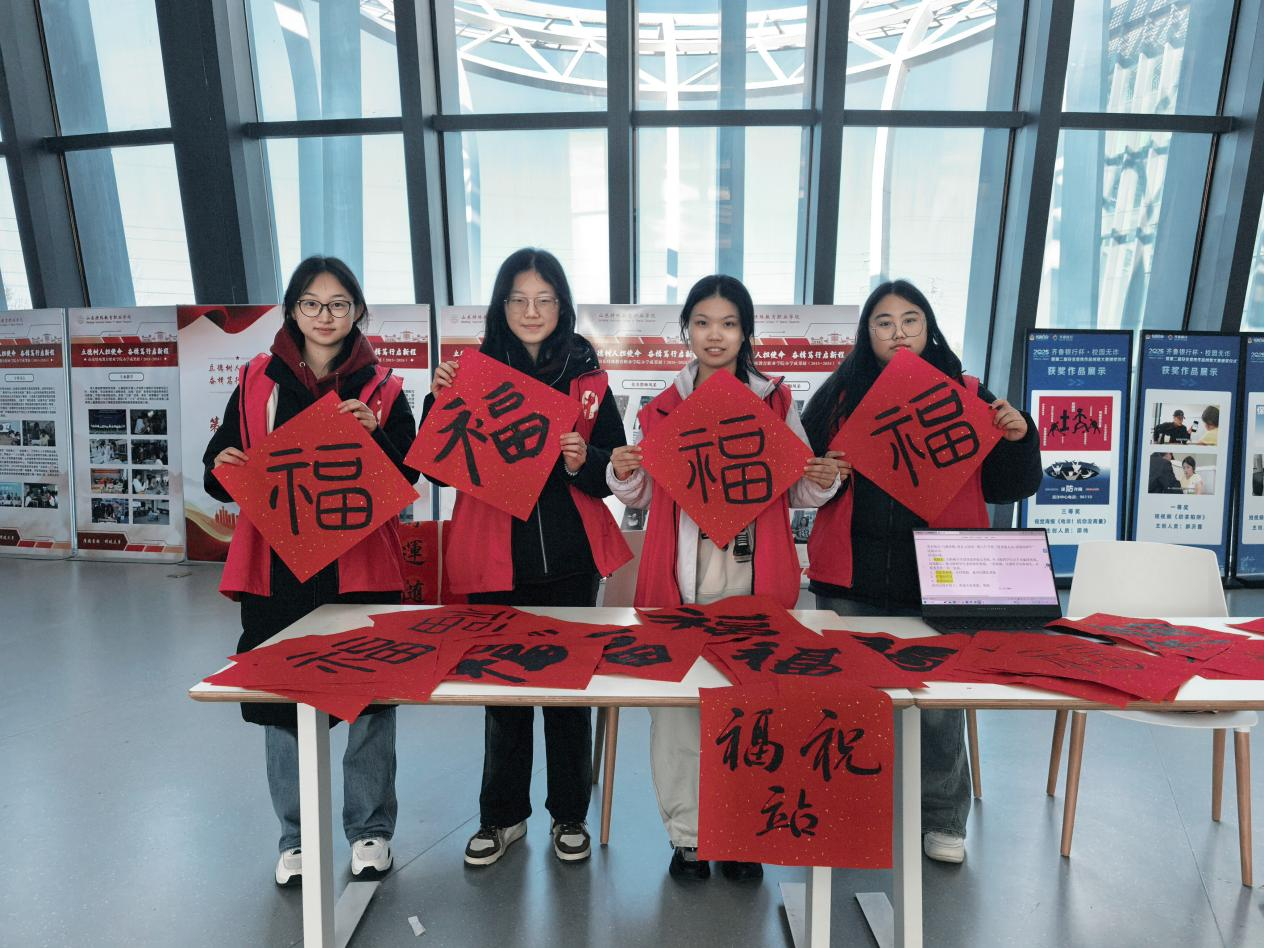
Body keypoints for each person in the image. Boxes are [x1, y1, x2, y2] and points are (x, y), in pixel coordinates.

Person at [607, 274, 841, 883]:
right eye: (704, 322)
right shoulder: (663, 407)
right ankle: (689, 837)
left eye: (729, 324)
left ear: (746, 333)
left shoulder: (776, 404)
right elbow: (643, 494)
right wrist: (624, 472)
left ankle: (743, 832)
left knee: (753, 709)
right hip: (680, 581)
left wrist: (821, 479)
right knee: (678, 714)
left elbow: (800, 491)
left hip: (752, 580)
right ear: (686, 329)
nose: (716, 335)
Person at [800, 279, 1041, 866]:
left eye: (910, 320)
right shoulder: (837, 396)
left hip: (942, 577)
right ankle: (849, 809)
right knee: (849, 701)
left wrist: (1019, 437)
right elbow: (803, 476)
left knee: (938, 707)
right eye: (883, 323)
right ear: (867, 333)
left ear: (928, 328)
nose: (898, 333)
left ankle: (942, 817)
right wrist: (823, 471)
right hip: (851, 575)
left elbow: (1010, 486)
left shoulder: (967, 393)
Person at [203, 256, 419, 887]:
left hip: (360, 568)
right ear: (293, 310)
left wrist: (377, 436)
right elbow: (219, 462)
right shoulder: (256, 379)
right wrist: (224, 464)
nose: (325, 316)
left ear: (358, 312)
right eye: (312, 303)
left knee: (369, 700)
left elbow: (409, 474)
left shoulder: (384, 388)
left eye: (339, 304)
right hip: (277, 569)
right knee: (281, 703)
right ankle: (296, 839)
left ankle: (370, 831)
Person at [425, 247, 631, 868]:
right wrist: (438, 402)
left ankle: (569, 814)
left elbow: (614, 467)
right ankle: (502, 816)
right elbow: (436, 464)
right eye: (519, 299)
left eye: (544, 299)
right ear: (502, 306)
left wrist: (583, 461)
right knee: (502, 693)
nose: (532, 311)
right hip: (495, 555)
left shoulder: (589, 377)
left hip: (569, 557)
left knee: (569, 693)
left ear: (562, 306)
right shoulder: (471, 372)